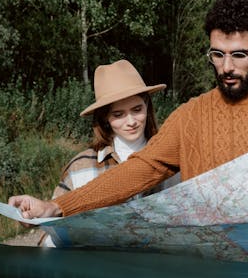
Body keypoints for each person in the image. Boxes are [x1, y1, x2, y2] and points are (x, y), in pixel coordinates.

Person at [9, 0, 248, 239]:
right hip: (212, 271)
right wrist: (57, 206)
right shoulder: (192, 115)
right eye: (217, 54)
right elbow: (139, 169)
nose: (226, 68)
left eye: (239, 55)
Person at [39, 59, 176, 246]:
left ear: (147, 107)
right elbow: (51, 234)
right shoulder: (80, 167)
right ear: (105, 118)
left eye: (137, 110)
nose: (131, 121)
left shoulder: (172, 158)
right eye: (118, 114)